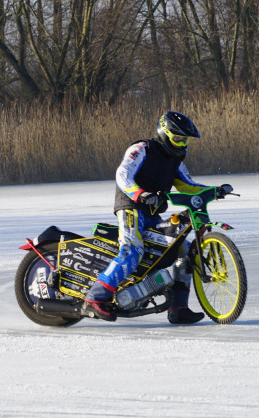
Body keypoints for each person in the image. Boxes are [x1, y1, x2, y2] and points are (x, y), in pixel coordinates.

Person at [81, 111, 230, 324]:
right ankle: (94, 298)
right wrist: (139, 194)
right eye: (177, 138)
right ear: (164, 133)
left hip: (152, 213)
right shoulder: (142, 149)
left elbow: (189, 186)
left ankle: (178, 308)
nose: (181, 144)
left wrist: (213, 191)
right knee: (132, 251)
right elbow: (122, 174)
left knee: (185, 251)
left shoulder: (175, 160)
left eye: (185, 140)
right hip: (131, 206)